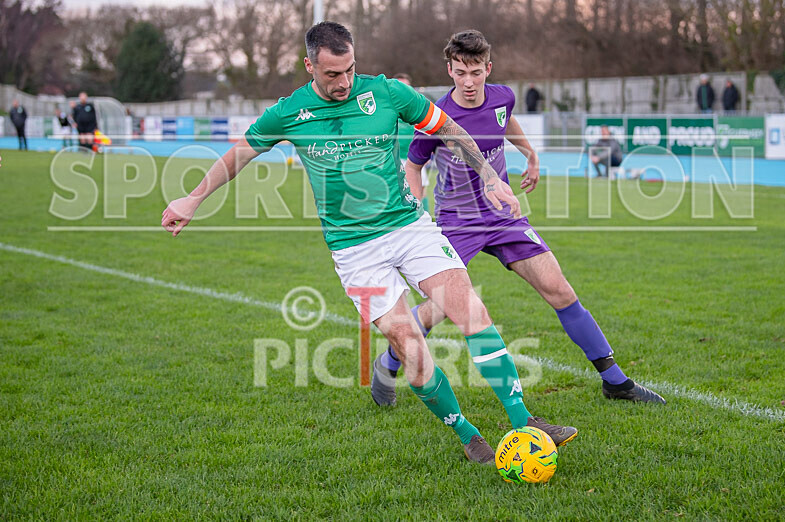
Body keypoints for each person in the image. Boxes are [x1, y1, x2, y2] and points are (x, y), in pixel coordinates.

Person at [161, 22, 577, 463]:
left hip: (408, 227)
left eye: (350, 70)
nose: (344, 83)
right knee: (410, 347)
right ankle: (467, 434)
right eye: (332, 75)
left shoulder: (385, 93)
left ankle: (523, 420)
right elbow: (239, 154)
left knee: (471, 310)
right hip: (354, 250)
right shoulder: (288, 112)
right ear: (310, 66)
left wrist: (491, 176)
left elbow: (448, 129)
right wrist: (193, 197)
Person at [372, 30, 665, 407]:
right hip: (456, 224)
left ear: (487, 68)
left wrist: (530, 154)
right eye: (460, 72)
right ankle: (390, 360)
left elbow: (506, 122)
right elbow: (413, 165)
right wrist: (418, 207)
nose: (469, 81)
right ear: (449, 70)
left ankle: (615, 381)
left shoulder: (503, 97)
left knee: (559, 289)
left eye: (476, 72)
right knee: (442, 307)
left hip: (504, 215)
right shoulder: (437, 118)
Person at [394, 73, 431, 212]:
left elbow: (428, 133)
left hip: (415, 159)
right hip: (394, 160)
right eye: (400, 86)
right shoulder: (389, 112)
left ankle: (424, 220)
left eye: (406, 87)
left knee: (420, 192)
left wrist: (427, 154)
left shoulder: (417, 110)